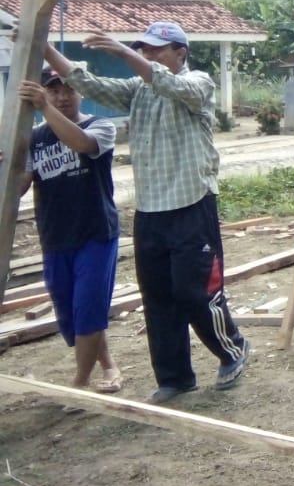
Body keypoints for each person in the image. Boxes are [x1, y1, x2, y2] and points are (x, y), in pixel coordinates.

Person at [43, 21, 250, 405]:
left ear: (181, 53)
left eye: (156, 49)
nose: (148, 54)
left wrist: (124, 52)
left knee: (195, 291)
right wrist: (43, 45)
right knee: (158, 298)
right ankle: (175, 378)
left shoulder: (198, 83)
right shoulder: (138, 91)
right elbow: (87, 82)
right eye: (144, 49)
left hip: (192, 203)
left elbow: (173, 85)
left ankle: (232, 349)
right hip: (151, 211)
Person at [4, 67, 124, 394]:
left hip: (95, 233)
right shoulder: (35, 138)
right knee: (72, 312)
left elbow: (82, 144)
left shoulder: (100, 126)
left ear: (80, 92)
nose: (62, 97)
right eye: (54, 91)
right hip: (55, 236)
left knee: (88, 306)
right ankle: (109, 365)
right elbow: (19, 187)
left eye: (69, 89)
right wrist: (6, 167)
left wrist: (44, 107)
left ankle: (79, 382)